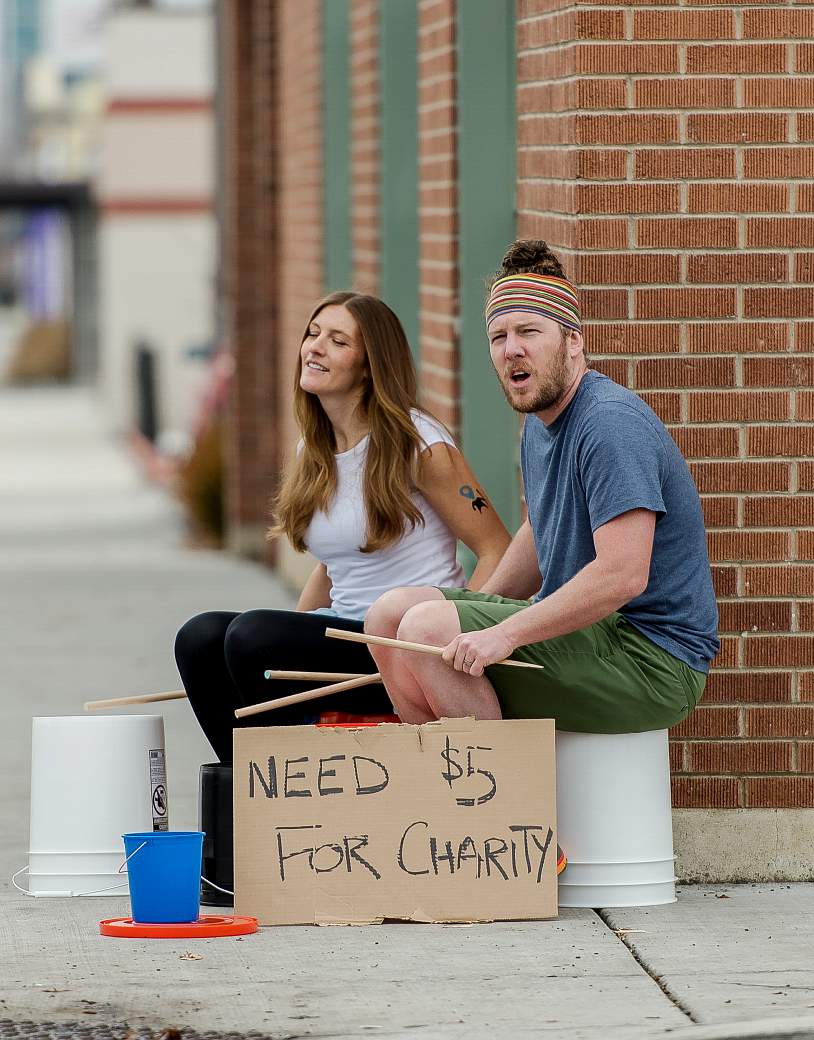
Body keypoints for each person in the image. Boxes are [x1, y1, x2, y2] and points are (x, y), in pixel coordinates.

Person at [365, 240, 718, 732]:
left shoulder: (609, 425)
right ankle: (439, 779)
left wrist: (502, 634)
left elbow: (623, 576)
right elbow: (540, 531)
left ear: (573, 340)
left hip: (650, 659)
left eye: (529, 331)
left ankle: (497, 797)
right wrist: (471, 612)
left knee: (424, 628)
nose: (512, 349)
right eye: (498, 336)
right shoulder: (540, 423)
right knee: (390, 617)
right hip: (590, 638)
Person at [176, 291, 512, 762]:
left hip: (392, 649)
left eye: (337, 341)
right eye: (313, 334)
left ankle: (285, 786)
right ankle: (248, 793)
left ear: (369, 365)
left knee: (251, 637)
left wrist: (459, 644)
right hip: (338, 639)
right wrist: (286, 630)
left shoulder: (419, 446)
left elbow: (496, 547)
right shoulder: (313, 451)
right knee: (201, 638)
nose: (314, 347)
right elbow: (331, 569)